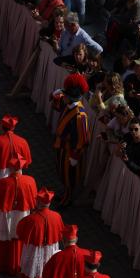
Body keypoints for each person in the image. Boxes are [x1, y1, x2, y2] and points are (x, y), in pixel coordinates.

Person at [15, 188, 64, 278]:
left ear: (38, 203)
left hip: (34, 250)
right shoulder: (57, 216)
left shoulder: (31, 219)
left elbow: (20, 232)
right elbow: (61, 233)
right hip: (49, 250)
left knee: (32, 270)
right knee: (46, 271)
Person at [0, 154, 37, 275]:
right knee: (18, 238)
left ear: (10, 168)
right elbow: (34, 199)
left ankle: (0, 265)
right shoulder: (30, 181)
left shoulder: (2, 183)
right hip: (21, 215)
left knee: (2, 239)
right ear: (22, 167)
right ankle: (16, 264)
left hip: (4, 216)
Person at [53, 74, 90, 207]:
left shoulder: (80, 115)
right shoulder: (69, 105)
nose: (64, 97)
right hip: (62, 146)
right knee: (62, 173)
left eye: (65, 95)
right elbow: (57, 107)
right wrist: (55, 96)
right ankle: (65, 193)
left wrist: (75, 156)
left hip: (71, 151)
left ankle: (67, 199)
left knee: (69, 176)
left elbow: (82, 139)